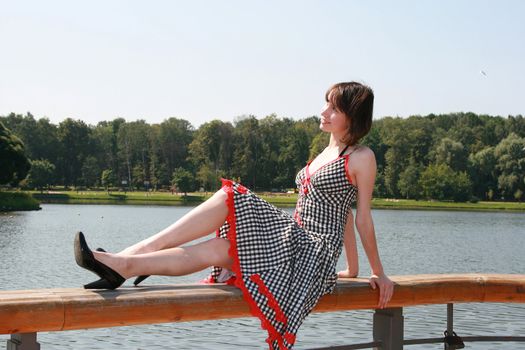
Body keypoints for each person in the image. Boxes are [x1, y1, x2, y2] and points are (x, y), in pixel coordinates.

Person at [74, 81, 394, 350]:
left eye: (334, 108)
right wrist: (351, 269)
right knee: (221, 249)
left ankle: (130, 257)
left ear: (352, 117)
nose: (324, 112)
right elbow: (345, 215)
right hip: (294, 243)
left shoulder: (362, 157)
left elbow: (361, 216)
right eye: (326, 104)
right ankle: (127, 263)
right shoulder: (324, 154)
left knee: (231, 195)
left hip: (310, 256)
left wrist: (376, 272)